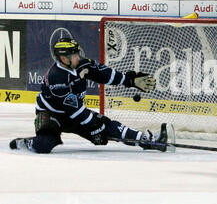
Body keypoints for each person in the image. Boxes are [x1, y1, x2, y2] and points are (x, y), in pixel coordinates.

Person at [10, 38, 169, 153]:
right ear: (64, 58)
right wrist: (93, 125)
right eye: (74, 55)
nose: (78, 57)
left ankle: (148, 140)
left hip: (74, 113)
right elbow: (75, 110)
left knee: (108, 127)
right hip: (51, 114)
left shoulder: (81, 64)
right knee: (44, 145)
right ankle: (26, 143)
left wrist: (130, 80)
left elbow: (105, 74)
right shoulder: (56, 76)